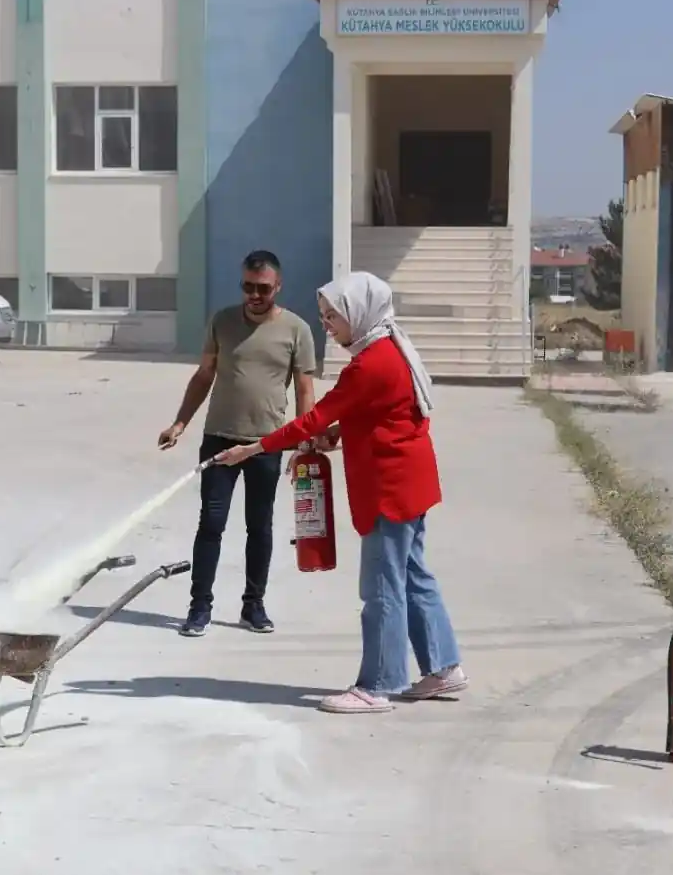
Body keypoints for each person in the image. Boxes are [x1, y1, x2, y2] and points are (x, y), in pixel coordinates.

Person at [212, 271, 466, 713]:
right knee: (413, 575)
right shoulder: (388, 349)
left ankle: (379, 685)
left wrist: (255, 447)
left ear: (358, 313)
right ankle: (444, 669)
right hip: (412, 481)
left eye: (333, 316)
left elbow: (313, 417)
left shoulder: (369, 364)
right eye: (323, 316)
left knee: (382, 587)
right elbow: (380, 413)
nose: (326, 325)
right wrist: (339, 432)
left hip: (390, 486)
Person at [158, 250, 317, 638]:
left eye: (263, 288)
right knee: (211, 525)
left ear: (278, 286)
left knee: (259, 527)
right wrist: (180, 422)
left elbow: (304, 388)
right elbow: (204, 375)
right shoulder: (223, 322)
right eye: (248, 286)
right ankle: (199, 608)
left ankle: (253, 605)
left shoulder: (297, 329)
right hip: (218, 440)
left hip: (268, 443)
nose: (255, 295)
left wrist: (304, 438)